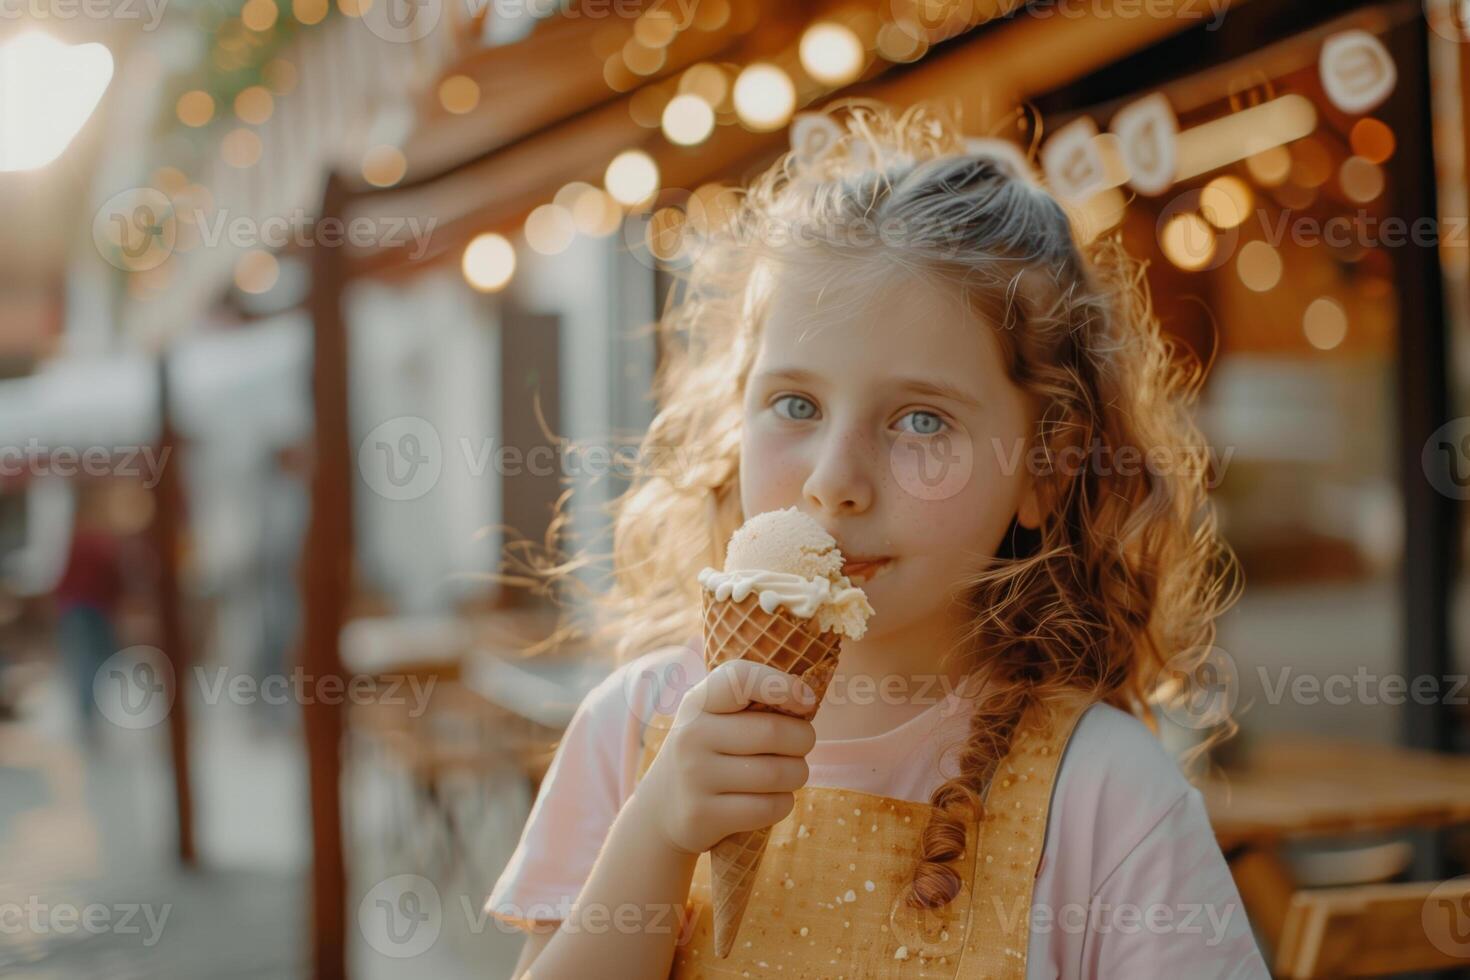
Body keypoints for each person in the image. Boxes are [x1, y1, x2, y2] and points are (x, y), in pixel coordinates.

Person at [484, 102, 1269, 978]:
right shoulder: (633, 729)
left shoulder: (1108, 797)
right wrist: (658, 832)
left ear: (1046, 468)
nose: (835, 477)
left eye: (921, 420)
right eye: (796, 405)